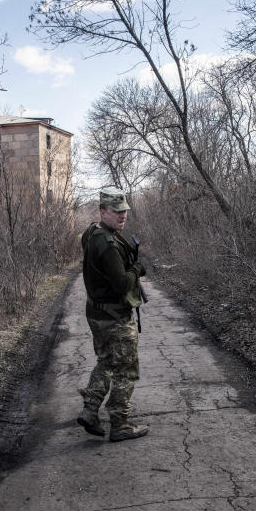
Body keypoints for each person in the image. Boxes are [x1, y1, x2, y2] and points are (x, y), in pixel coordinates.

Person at [77, 186, 148, 442]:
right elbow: (121, 283)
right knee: (126, 370)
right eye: (116, 211)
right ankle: (120, 423)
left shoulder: (92, 232)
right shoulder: (107, 244)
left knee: (106, 361)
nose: (122, 216)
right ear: (103, 211)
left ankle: (89, 410)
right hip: (114, 316)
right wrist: (137, 269)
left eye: (124, 211)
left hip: (97, 312)